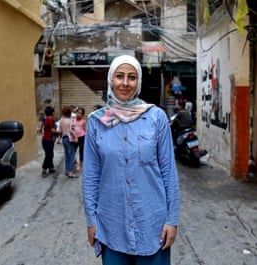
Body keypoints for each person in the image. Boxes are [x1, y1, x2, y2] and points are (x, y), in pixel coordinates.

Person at [82, 55, 180, 264]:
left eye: (132, 77)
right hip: (111, 225)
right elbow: (91, 177)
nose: (125, 83)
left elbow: (169, 173)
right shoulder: (97, 122)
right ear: (111, 80)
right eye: (119, 76)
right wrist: (92, 221)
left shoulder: (156, 118)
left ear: (138, 82)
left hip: (152, 224)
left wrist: (172, 220)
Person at [59, 105, 78, 178]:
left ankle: (67, 170)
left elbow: (60, 130)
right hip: (70, 139)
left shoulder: (61, 120)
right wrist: (75, 137)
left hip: (64, 138)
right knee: (72, 156)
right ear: (70, 113)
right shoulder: (70, 121)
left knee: (67, 155)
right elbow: (71, 130)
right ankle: (70, 172)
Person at [40, 106, 56, 178]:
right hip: (48, 140)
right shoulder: (51, 120)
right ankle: (44, 169)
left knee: (50, 154)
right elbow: (53, 130)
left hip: (45, 139)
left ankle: (51, 168)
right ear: (52, 113)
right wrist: (60, 131)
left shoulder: (45, 119)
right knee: (49, 155)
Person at [72, 107, 86, 172]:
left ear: (82, 115)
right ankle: (74, 163)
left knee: (81, 151)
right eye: (78, 112)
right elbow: (71, 128)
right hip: (74, 138)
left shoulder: (83, 121)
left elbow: (84, 129)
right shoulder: (73, 120)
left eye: (80, 113)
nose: (79, 114)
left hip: (81, 137)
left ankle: (81, 165)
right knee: (73, 151)